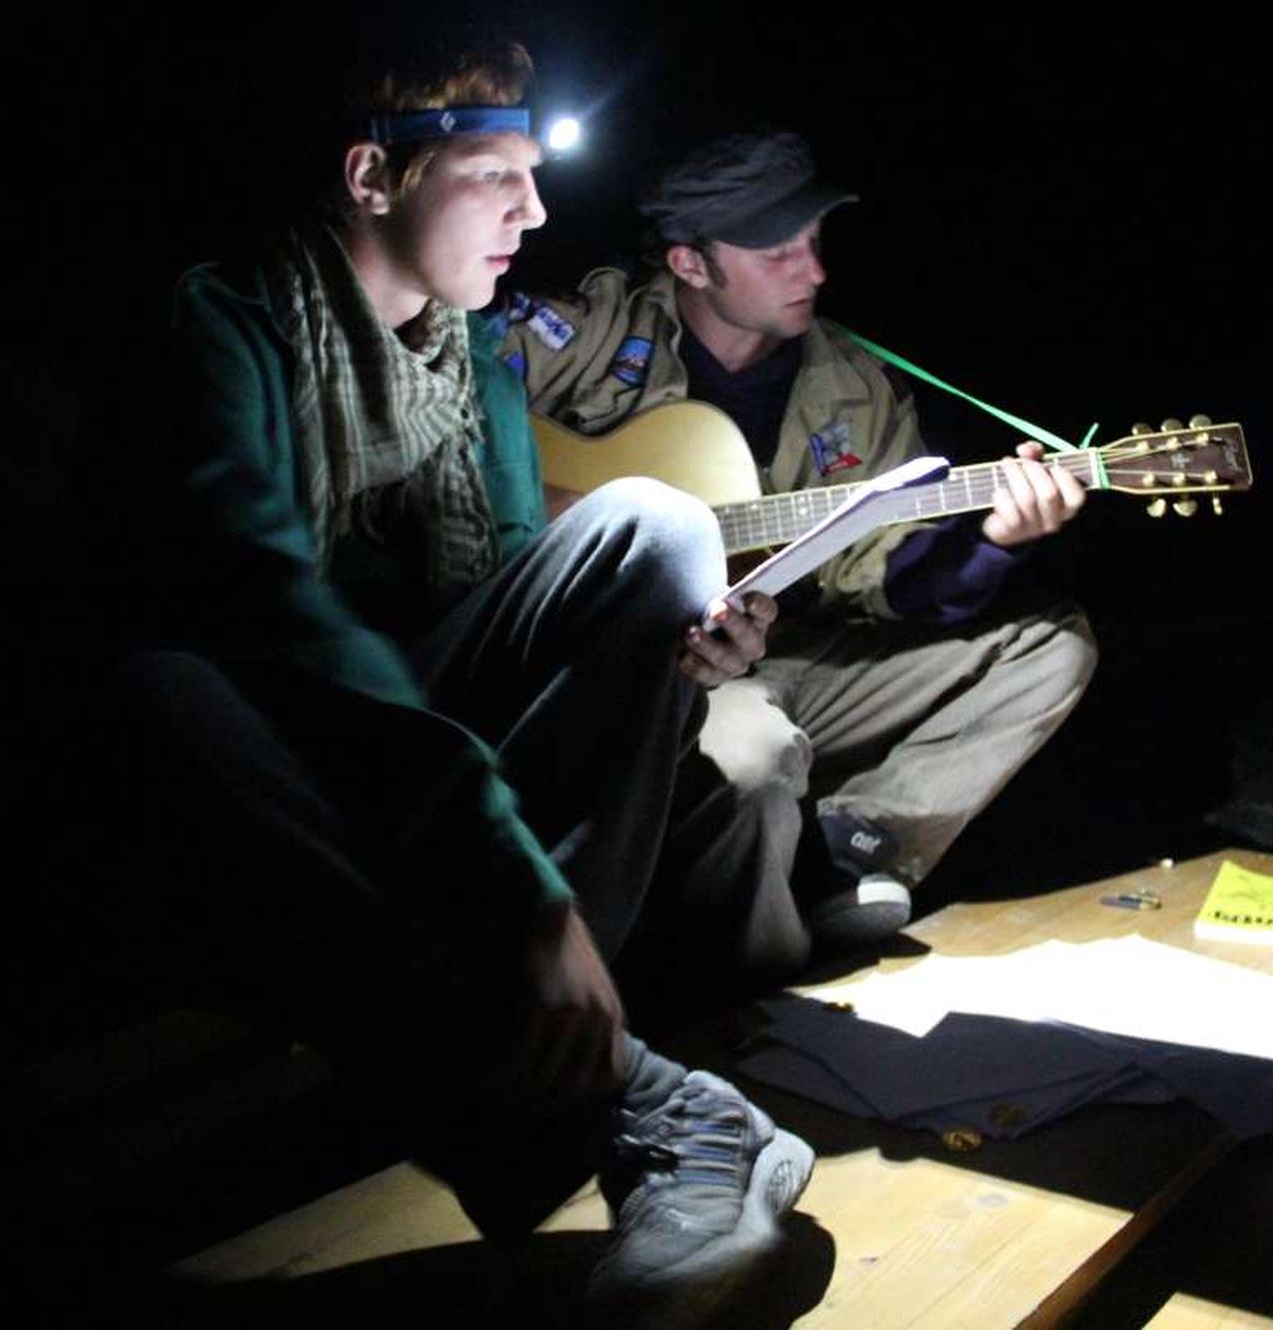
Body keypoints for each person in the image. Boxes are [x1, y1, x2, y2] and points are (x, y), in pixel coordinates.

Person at [107, 37, 811, 1321]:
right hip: (300, 740)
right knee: (170, 688)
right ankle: (645, 1111)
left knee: (657, 526)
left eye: (536, 179)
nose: (533, 214)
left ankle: (578, 1086)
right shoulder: (227, 326)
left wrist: (680, 664)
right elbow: (274, 618)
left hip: (421, 732)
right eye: (495, 176)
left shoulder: (473, 366)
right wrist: (518, 889)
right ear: (374, 177)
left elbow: (506, 607)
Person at [505, 129, 1099, 962]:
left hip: (770, 651)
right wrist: (568, 514)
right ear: (690, 264)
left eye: (814, 243)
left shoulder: (852, 382)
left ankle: (848, 846)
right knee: (755, 761)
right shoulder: (589, 331)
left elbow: (876, 574)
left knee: (1048, 645)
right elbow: (438, 426)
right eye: (776, 252)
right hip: (625, 668)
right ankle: (761, 994)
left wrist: (991, 541)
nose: (813, 273)